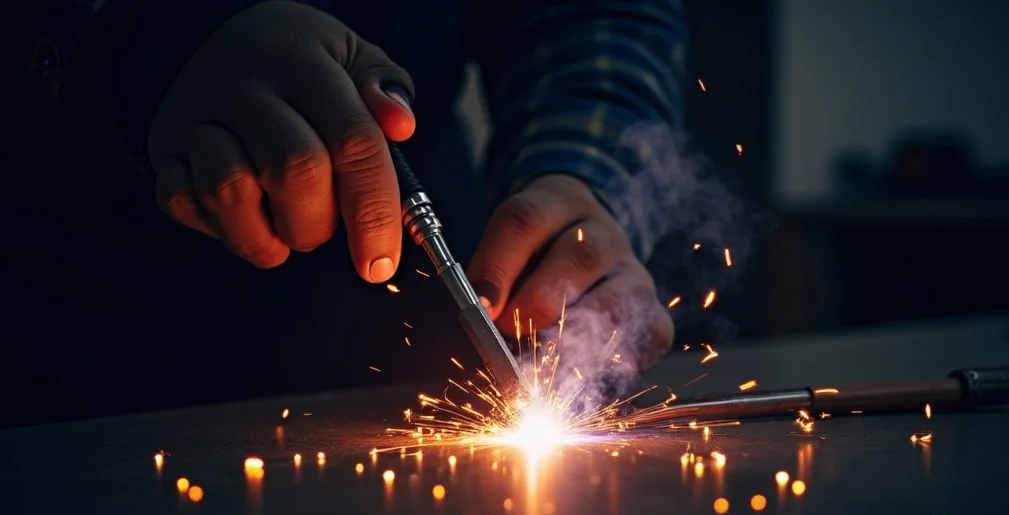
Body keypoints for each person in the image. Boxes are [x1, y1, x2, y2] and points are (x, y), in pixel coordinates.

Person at [3, 0, 685, 425]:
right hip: (67, 341)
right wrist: (139, 36)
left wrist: (579, 178)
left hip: (401, 328)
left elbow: (590, 15)